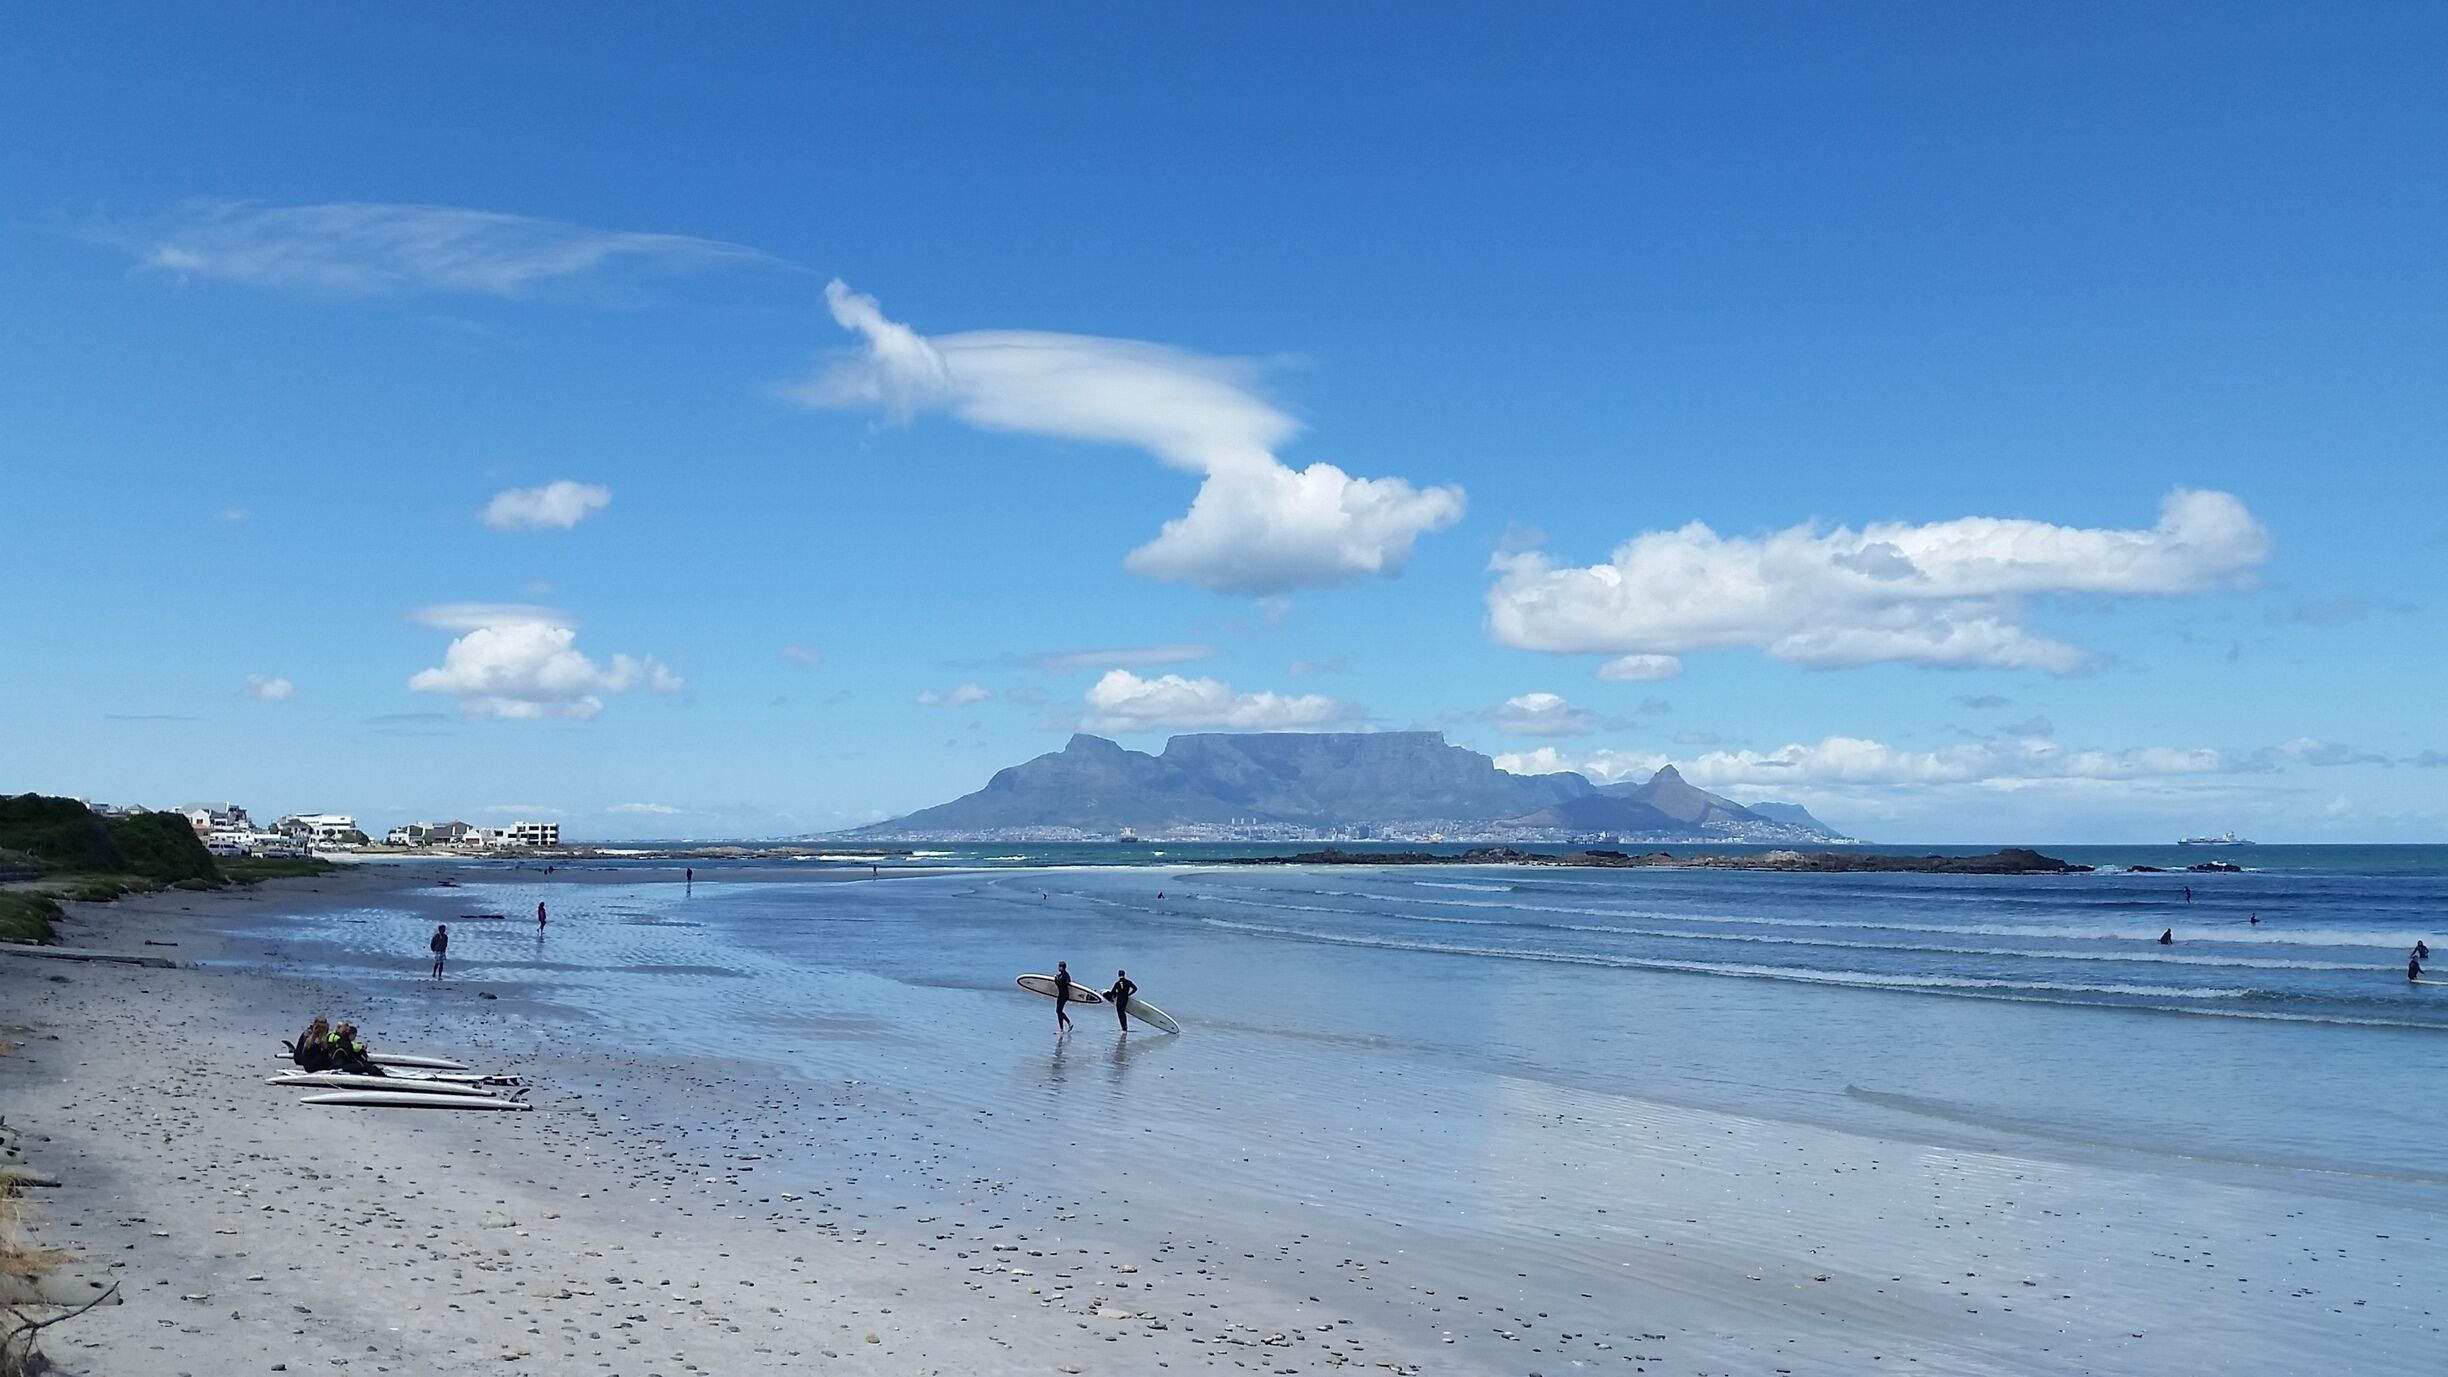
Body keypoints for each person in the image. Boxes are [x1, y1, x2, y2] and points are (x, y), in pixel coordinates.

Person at [1052, 960, 1075, 1033]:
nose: (1058, 968)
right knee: (1059, 1011)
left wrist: (1056, 979)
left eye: (1059, 966)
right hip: (1063, 995)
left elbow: (1060, 984)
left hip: (1063, 995)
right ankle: (1067, 1025)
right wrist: (1057, 977)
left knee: (1058, 1011)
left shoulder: (1064, 976)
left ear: (1062, 967)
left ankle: (1065, 1027)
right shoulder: (1065, 974)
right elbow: (1068, 981)